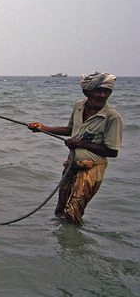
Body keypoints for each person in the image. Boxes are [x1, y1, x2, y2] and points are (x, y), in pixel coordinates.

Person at [28, 72, 123, 225]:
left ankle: (75, 244)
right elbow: (71, 130)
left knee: (73, 212)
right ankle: (61, 244)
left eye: (106, 91)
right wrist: (43, 128)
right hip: (72, 164)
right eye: (98, 91)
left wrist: (80, 144)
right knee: (60, 210)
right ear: (87, 92)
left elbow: (112, 152)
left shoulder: (112, 116)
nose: (102, 95)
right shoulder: (79, 106)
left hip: (92, 169)